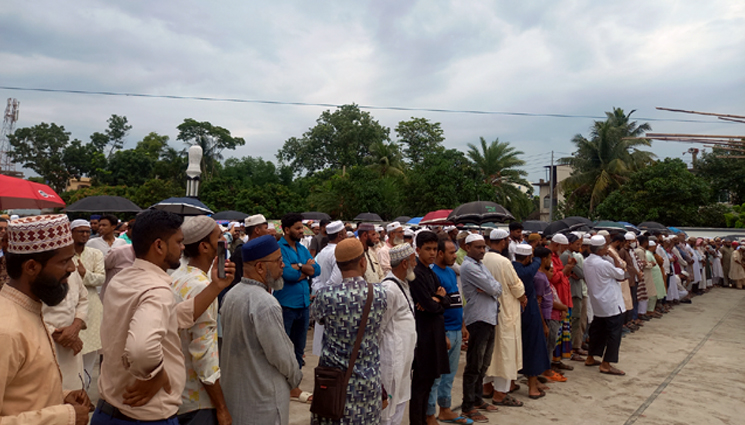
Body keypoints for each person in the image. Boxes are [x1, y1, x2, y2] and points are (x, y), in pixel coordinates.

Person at [94, 209, 235, 424]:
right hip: (145, 416)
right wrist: (157, 376)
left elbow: (172, 317)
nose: (182, 248)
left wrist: (215, 287)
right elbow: (141, 350)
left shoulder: (123, 279)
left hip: (109, 409)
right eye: (178, 242)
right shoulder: (156, 290)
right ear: (159, 246)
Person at [1, 214, 94, 424]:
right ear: (31, 267)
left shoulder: (30, 310)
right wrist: (65, 416)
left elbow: (21, 390)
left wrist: (61, 396)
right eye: (64, 261)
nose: (72, 268)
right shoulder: (6, 331)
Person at [221, 235, 302, 425]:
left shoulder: (231, 295)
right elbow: (281, 356)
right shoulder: (265, 303)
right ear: (260, 267)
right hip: (263, 402)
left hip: (236, 398)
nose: (283, 265)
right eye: (278, 261)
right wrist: (295, 378)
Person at [311, 238, 387, 425]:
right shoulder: (379, 294)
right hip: (368, 383)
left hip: (333, 385)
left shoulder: (326, 296)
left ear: (338, 265)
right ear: (363, 262)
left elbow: (317, 317)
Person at [170, 216, 231, 425]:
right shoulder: (202, 287)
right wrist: (221, 407)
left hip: (176, 392)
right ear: (204, 246)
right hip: (196, 401)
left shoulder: (178, 275)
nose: (224, 241)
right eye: (219, 237)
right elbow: (203, 354)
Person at [274, 213, 320, 402]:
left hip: (303, 304)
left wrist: (299, 266)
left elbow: (317, 270)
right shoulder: (279, 249)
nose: (302, 231)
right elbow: (287, 274)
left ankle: (294, 385)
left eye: (302, 228)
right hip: (286, 305)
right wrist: (305, 270)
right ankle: (281, 384)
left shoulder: (302, 248)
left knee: (299, 349)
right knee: (283, 348)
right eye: (298, 228)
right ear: (287, 230)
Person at [409, 231, 452, 425]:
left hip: (435, 332)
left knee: (428, 384)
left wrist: (438, 299)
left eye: (435, 249)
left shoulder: (431, 273)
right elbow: (429, 305)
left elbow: (446, 301)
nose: (432, 253)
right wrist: (436, 300)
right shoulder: (416, 274)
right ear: (418, 250)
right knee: (420, 386)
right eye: (428, 249)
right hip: (424, 336)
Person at [427, 238, 470, 425]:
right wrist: (441, 333)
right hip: (443, 332)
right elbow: (434, 308)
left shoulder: (451, 273)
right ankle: (429, 414)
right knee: (436, 376)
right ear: (440, 253)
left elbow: (456, 300)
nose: (455, 256)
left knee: (450, 375)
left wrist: (463, 325)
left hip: (456, 330)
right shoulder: (433, 274)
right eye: (451, 253)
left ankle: (445, 409)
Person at [460, 234, 501, 422]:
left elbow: (497, 287)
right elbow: (493, 289)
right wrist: (490, 288)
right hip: (478, 319)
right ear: (467, 247)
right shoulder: (468, 267)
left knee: (483, 363)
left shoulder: (480, 265)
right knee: (474, 364)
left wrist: (491, 287)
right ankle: (468, 406)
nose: (482, 250)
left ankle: (477, 399)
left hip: (489, 317)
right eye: (478, 247)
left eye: (483, 247)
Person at [483, 229, 525, 407]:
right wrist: (523, 298)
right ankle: (500, 393)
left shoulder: (482, 259)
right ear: (503, 242)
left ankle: (486, 387)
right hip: (506, 311)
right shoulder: (504, 262)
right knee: (505, 352)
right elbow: (516, 286)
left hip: (488, 311)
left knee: (489, 352)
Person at [41, 240, 89, 391]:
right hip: (43, 345)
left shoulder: (71, 272)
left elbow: (83, 298)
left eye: (71, 258)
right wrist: (56, 334)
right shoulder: (34, 280)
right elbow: (24, 312)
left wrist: (75, 327)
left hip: (71, 347)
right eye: (64, 261)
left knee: (73, 391)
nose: (72, 267)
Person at [379, 244, 418, 425]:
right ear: (404, 263)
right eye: (413, 260)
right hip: (392, 358)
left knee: (400, 400)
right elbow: (379, 327)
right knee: (388, 407)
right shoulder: (389, 288)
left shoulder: (403, 284)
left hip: (404, 358)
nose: (415, 264)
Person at [68, 219, 106, 389]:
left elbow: (101, 278)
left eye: (87, 232)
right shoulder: (64, 254)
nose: (84, 235)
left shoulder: (95, 254)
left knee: (89, 354)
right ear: (71, 233)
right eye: (80, 231)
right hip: (68, 307)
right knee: (69, 355)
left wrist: (85, 274)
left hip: (91, 308)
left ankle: (84, 391)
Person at [583, 235, 626, 376]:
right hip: (611, 303)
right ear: (601, 249)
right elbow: (621, 274)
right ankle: (606, 364)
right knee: (614, 334)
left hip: (598, 303)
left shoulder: (587, 262)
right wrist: (615, 258)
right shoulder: (603, 264)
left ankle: (590, 357)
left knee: (597, 331)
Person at [514, 245, 550, 399]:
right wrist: (536, 258)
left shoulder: (510, 267)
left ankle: (511, 383)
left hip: (515, 313)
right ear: (528, 257)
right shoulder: (529, 270)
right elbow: (537, 262)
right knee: (534, 348)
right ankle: (533, 387)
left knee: (516, 348)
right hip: (530, 312)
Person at [311, 220, 346, 355]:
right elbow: (336, 281)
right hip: (335, 303)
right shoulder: (337, 252)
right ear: (340, 236)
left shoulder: (322, 252)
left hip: (322, 300)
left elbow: (314, 276)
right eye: (345, 233)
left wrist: (320, 292)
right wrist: (325, 292)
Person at [221, 214, 269, 306]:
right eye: (266, 228)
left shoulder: (262, 251)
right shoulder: (241, 252)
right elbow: (236, 280)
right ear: (257, 230)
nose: (268, 231)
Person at [547, 234, 575, 371]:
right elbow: (553, 278)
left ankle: (557, 361)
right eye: (563, 248)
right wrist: (566, 268)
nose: (564, 251)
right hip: (555, 300)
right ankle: (551, 362)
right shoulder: (548, 257)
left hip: (564, 298)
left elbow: (563, 276)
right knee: (554, 334)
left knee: (563, 332)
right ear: (557, 245)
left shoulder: (557, 257)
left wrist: (568, 267)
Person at [560, 234, 588, 360]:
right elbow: (581, 273)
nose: (579, 246)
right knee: (574, 321)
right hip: (572, 292)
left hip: (575, 291)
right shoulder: (567, 256)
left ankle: (573, 347)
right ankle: (570, 349)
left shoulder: (572, 255)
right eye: (577, 244)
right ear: (569, 244)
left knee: (576, 321)